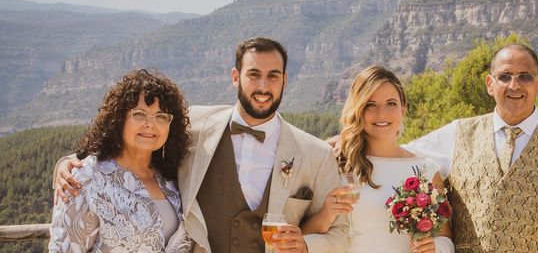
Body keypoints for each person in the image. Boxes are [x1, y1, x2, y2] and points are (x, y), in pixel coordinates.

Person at [56, 37, 348, 253]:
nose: (263, 86)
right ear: (235, 77)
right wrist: (70, 162)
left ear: (284, 80)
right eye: (253, 75)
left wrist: (307, 246)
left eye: (273, 76)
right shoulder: (193, 125)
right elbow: (137, 141)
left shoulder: (316, 154)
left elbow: (342, 233)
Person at [407, 44, 538, 253]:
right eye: (504, 77)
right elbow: (402, 156)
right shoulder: (458, 134)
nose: (514, 85)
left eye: (525, 76)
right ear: (489, 84)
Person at [302, 66, 454, 253]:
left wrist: (434, 248)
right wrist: (327, 213)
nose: (382, 114)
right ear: (358, 110)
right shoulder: (336, 161)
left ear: (403, 109)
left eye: (391, 103)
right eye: (370, 104)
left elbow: (446, 238)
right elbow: (303, 236)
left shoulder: (426, 170)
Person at [48, 69, 192, 252]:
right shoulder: (86, 179)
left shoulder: (171, 178)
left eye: (161, 116)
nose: (151, 124)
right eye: (139, 114)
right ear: (119, 119)